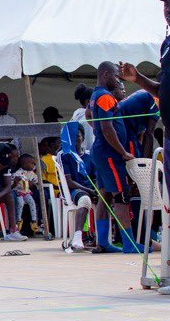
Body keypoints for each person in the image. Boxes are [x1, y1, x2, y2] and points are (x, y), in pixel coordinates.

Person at [88, 62, 144, 255]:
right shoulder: (104, 96)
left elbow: (90, 116)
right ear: (105, 74)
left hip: (101, 151)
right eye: (115, 76)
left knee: (104, 196)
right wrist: (123, 152)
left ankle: (103, 242)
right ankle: (129, 244)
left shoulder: (96, 95)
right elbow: (107, 128)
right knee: (121, 196)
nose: (118, 80)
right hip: (110, 154)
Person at [59, 123, 97, 251]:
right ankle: (78, 237)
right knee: (85, 200)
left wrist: (97, 190)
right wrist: (89, 191)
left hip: (90, 190)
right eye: (71, 136)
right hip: (74, 191)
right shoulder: (65, 155)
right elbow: (69, 181)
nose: (75, 139)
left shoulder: (89, 156)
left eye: (78, 136)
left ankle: (101, 238)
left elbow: (95, 177)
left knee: (107, 198)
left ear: (83, 137)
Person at [118, 88, 158, 157]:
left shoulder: (148, 91)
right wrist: (146, 160)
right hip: (124, 126)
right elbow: (149, 133)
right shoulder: (157, 99)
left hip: (122, 123)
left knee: (138, 151)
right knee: (134, 158)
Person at [13, 154, 40, 233]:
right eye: (32, 163)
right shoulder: (18, 173)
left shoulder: (31, 173)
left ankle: (34, 221)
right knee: (20, 203)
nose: (34, 165)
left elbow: (37, 180)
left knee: (32, 202)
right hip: (18, 192)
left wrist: (35, 181)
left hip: (26, 192)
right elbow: (13, 182)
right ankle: (18, 220)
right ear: (24, 164)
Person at [71, 83, 95, 152]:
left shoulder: (77, 114)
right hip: (86, 155)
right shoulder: (85, 119)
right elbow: (89, 144)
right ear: (88, 101)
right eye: (95, 100)